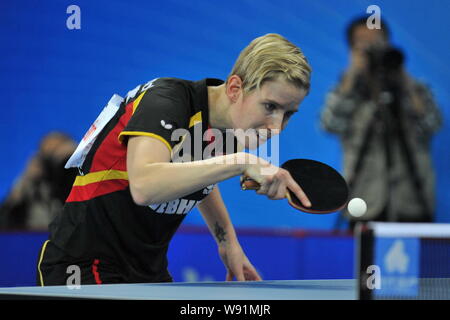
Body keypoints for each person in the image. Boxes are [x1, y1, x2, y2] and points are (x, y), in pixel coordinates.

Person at [37, 33, 313, 285]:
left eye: (288, 114)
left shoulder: (229, 127)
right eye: (270, 107)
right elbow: (145, 185)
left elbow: (197, 176)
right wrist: (240, 162)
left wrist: (228, 243)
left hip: (148, 271)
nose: (277, 126)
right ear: (234, 88)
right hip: (83, 265)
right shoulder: (167, 100)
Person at [320, 17, 443, 229]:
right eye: (363, 43)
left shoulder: (413, 88)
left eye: (378, 41)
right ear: (352, 49)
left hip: (412, 203)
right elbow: (330, 124)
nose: (372, 48)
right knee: (363, 262)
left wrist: (404, 80)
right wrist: (352, 75)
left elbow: (433, 124)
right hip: (363, 202)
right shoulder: (347, 90)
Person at [0, 132, 77, 231]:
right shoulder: (33, 186)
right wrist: (23, 183)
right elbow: (4, 224)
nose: (55, 163)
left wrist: (78, 160)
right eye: (48, 156)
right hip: (33, 241)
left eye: (58, 155)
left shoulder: (79, 180)